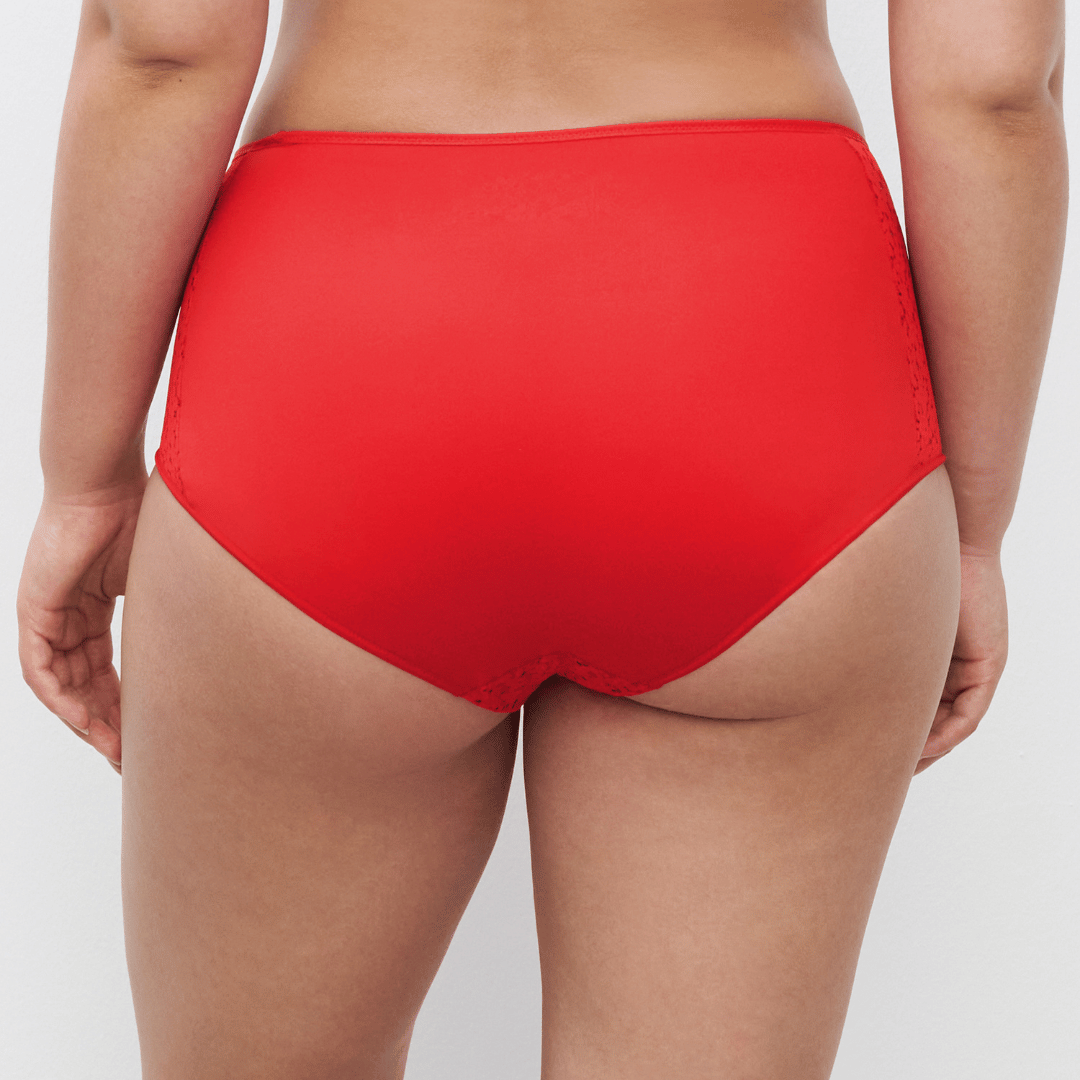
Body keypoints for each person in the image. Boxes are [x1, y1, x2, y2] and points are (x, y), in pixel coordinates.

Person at [15, 0, 1067, 1075]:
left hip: (345, 344)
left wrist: (85, 480)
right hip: (758, 346)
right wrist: (973, 529)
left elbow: (167, 42)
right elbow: (991, 85)